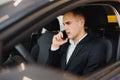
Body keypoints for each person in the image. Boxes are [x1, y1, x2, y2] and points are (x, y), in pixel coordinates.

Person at [48, 7, 107, 76]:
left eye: (68, 23)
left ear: (81, 22)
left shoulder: (96, 47)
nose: (65, 28)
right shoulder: (63, 44)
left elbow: (90, 77)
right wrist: (55, 46)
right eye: (64, 24)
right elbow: (49, 70)